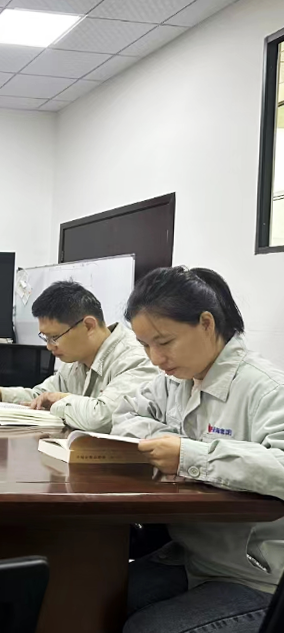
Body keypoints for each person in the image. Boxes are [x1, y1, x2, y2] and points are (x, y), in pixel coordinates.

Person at [113, 266, 283, 633]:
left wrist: (191, 456)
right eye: (145, 346)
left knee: (148, 628)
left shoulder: (266, 388)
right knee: (92, 596)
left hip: (257, 576)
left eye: (164, 342)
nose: (155, 358)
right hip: (191, 556)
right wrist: (164, 439)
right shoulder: (177, 381)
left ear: (206, 323)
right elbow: (124, 415)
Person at [0, 280, 157, 433]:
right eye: (45, 337)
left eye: (54, 337)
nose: (49, 346)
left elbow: (103, 418)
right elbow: (41, 396)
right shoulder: (77, 358)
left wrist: (60, 399)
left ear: (88, 326)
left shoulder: (135, 358)